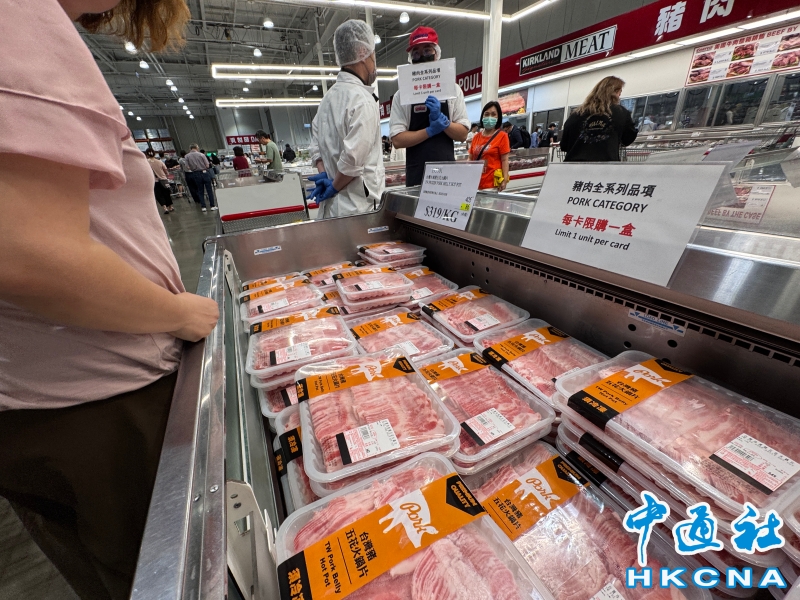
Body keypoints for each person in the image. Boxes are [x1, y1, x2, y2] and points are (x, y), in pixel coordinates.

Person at [0, 2, 219, 599]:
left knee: (110, 575)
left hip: (42, 400)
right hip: (97, 403)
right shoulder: (21, 15)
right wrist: (179, 313)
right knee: (159, 576)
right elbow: (30, 257)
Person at [308, 19, 385, 219]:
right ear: (362, 53)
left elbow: (315, 146)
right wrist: (334, 186)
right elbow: (352, 159)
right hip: (358, 210)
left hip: (332, 210)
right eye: (373, 55)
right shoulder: (363, 100)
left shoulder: (327, 99)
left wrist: (324, 173)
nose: (374, 63)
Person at [389, 26, 470, 186]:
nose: (422, 57)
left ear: (436, 54)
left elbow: (462, 134)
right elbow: (397, 140)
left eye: (427, 50)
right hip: (417, 174)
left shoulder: (453, 90)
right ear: (411, 58)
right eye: (416, 53)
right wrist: (429, 131)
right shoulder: (402, 95)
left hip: (446, 174)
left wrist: (444, 123)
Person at [559, 76, 638, 162]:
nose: (619, 96)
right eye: (619, 93)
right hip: (605, 166)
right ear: (615, 92)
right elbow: (627, 139)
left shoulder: (576, 114)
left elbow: (564, 145)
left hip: (573, 166)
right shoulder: (621, 112)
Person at [470, 101, 510, 192]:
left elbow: (505, 160)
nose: (489, 117)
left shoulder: (502, 136)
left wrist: (504, 179)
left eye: (493, 114)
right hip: (475, 183)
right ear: (482, 117)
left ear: (498, 117)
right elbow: (470, 158)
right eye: (486, 114)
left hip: (491, 185)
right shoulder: (476, 137)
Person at [185, 144, 217, 211]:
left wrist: (193, 168)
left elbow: (187, 167)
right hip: (204, 172)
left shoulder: (187, 156)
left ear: (190, 148)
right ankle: (212, 206)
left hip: (195, 174)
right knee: (209, 190)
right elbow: (207, 165)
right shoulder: (202, 155)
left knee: (200, 190)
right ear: (196, 147)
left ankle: (203, 207)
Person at [145, 148, 174, 214]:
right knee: (166, 193)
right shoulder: (159, 161)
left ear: (147, 155)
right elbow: (166, 171)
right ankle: (170, 207)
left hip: (154, 181)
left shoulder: (146, 162)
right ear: (154, 154)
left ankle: (165, 208)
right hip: (163, 180)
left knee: (159, 194)